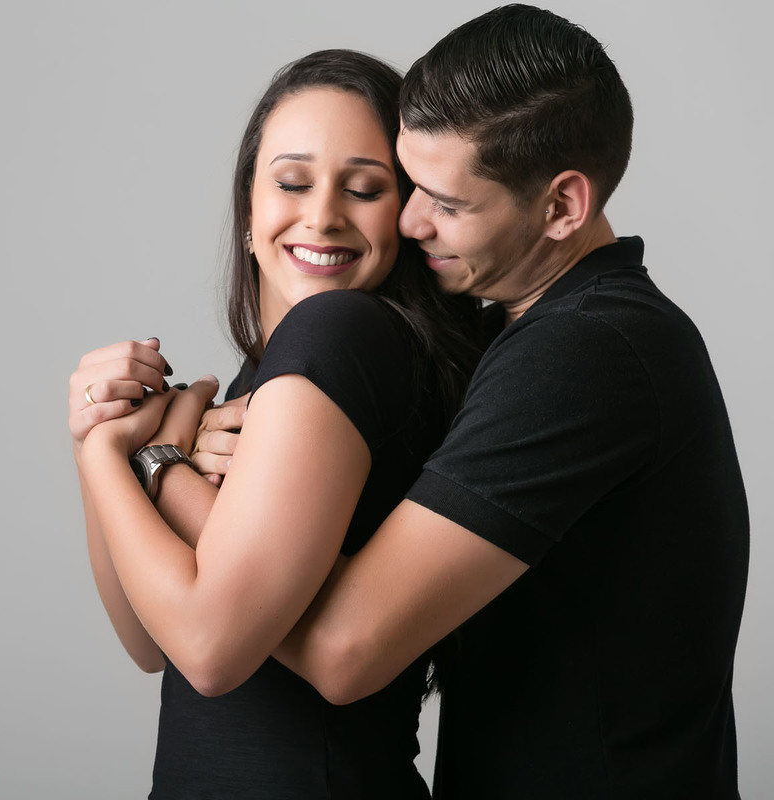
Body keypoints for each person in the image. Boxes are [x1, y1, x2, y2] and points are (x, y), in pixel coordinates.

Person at [192, 6, 748, 798]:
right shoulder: (522, 336)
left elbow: (344, 652)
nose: (410, 220)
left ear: (562, 207)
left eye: (446, 202)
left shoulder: (585, 352)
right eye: (408, 183)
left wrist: (160, 468)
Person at [67, 50, 481, 798]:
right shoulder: (270, 373)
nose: (322, 215)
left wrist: (122, 458)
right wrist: (104, 442)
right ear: (249, 215)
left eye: (364, 189)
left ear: (406, 216)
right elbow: (148, 638)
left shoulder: (344, 334)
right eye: (292, 182)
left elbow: (207, 648)